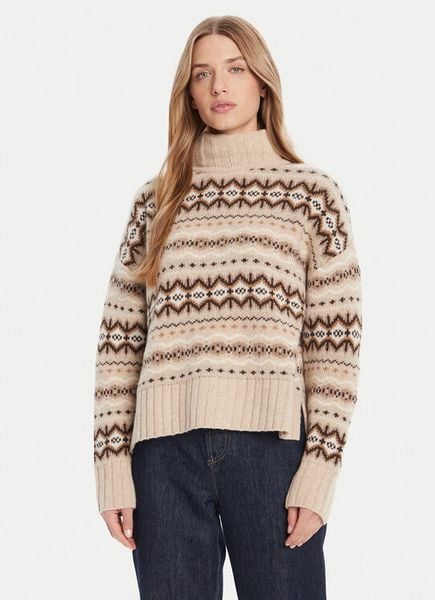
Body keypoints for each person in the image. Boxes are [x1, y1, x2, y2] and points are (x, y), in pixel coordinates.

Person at [92, 14, 363, 600]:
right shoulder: (155, 201)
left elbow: (333, 351)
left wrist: (320, 471)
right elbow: (119, 345)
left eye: (236, 69)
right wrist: (111, 466)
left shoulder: (312, 196)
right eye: (202, 74)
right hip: (163, 460)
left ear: (262, 83)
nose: (219, 86)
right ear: (187, 93)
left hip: (273, 456)